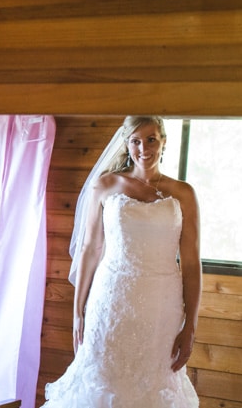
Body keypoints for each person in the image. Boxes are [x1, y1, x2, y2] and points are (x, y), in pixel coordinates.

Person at [41, 116, 201, 407]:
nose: (144, 148)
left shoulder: (184, 194)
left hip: (161, 307)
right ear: (126, 144)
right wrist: (78, 312)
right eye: (136, 141)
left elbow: (191, 264)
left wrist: (190, 326)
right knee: (102, 379)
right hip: (112, 298)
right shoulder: (105, 185)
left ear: (163, 140)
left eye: (151, 139)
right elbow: (90, 248)